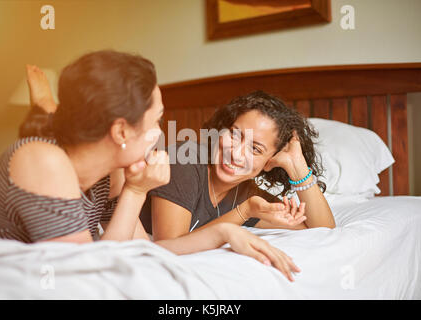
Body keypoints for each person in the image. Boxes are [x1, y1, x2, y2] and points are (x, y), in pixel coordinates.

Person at [0, 51, 300, 282]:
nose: (162, 134)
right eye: (156, 121)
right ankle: (45, 108)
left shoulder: (112, 171)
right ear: (120, 132)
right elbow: (84, 274)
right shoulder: (43, 161)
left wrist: (224, 232)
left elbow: (146, 250)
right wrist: (135, 191)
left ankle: (47, 109)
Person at [140, 91, 336, 241]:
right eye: (234, 134)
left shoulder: (246, 194)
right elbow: (169, 245)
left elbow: (323, 229)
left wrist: (297, 166)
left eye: (255, 149)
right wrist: (244, 212)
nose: (235, 154)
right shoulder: (185, 160)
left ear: (270, 162)